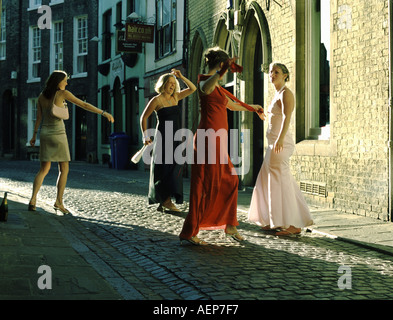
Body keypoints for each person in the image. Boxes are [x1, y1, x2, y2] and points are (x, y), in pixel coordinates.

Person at [179, 47, 264, 245]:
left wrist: (253, 107)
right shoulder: (204, 82)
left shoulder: (218, 88)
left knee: (230, 180)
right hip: (207, 139)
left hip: (217, 140)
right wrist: (221, 72)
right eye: (225, 69)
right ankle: (191, 232)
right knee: (203, 184)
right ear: (220, 66)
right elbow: (205, 89)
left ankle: (230, 226)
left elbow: (231, 105)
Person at [29, 70, 114, 214]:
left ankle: (32, 200)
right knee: (64, 169)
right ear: (58, 82)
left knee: (43, 169)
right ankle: (59, 202)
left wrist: (34, 135)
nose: (66, 83)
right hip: (58, 134)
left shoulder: (41, 96)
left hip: (44, 134)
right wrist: (103, 113)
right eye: (65, 80)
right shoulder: (63, 94)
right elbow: (84, 105)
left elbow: (38, 118)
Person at [248, 62, 313, 235]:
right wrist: (263, 114)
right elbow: (275, 117)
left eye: (276, 72)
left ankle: (293, 225)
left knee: (280, 182)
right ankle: (274, 220)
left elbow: (287, 117)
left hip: (280, 144)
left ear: (285, 75)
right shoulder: (276, 93)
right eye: (270, 72)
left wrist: (280, 138)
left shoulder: (286, 93)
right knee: (269, 181)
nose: (272, 74)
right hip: (273, 143)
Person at [140, 69, 196, 212]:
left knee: (174, 168)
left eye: (173, 83)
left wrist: (181, 76)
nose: (172, 86)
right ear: (163, 84)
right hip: (163, 137)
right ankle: (166, 201)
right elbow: (143, 117)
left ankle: (164, 200)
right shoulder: (157, 100)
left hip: (176, 137)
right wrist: (145, 136)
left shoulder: (176, 97)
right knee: (164, 169)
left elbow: (193, 88)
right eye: (169, 83)